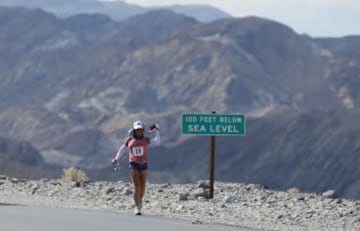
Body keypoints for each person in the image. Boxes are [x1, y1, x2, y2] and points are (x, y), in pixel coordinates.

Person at [111, 120, 160, 215]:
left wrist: (157, 130)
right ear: (134, 130)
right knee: (137, 186)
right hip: (133, 165)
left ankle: (140, 200)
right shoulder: (129, 140)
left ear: (143, 130)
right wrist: (116, 158)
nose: (139, 131)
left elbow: (157, 141)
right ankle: (137, 207)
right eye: (137, 130)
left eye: (140, 129)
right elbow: (122, 149)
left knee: (143, 187)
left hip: (144, 165)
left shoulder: (146, 140)